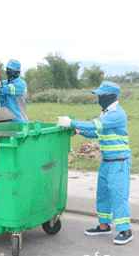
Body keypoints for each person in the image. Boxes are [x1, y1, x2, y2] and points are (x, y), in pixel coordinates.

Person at [57, 81, 133, 245]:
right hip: (107, 161)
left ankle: (125, 230)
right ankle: (104, 226)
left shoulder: (117, 114)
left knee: (119, 196)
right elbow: (95, 132)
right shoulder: (105, 113)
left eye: (102, 94)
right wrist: (78, 131)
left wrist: (71, 122)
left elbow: (95, 124)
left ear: (112, 95)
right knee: (103, 194)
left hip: (119, 161)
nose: (99, 97)